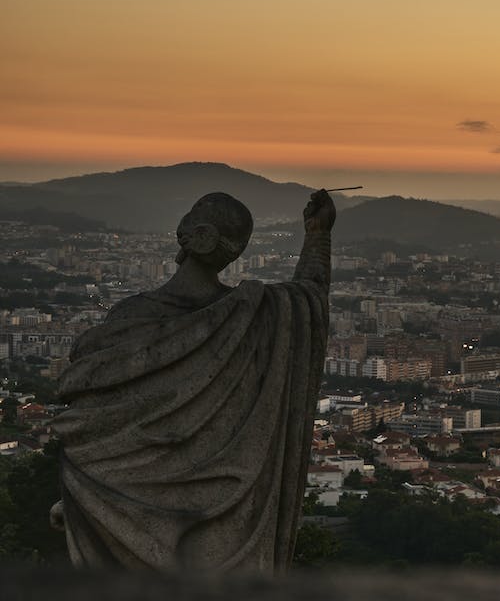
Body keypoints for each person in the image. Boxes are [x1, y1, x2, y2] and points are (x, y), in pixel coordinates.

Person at [49, 190, 335, 574]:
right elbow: (308, 300)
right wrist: (318, 236)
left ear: (188, 234)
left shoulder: (131, 318)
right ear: (234, 250)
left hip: (127, 521)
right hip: (228, 519)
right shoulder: (257, 317)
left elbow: (94, 431)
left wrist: (81, 499)